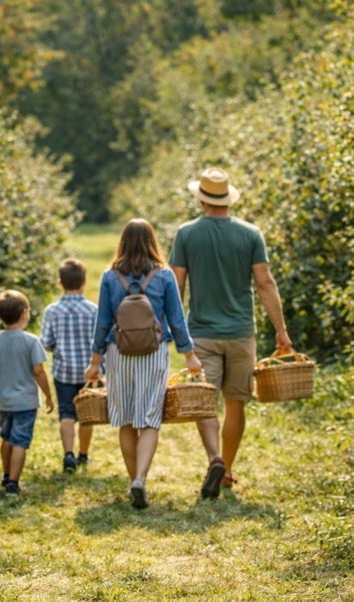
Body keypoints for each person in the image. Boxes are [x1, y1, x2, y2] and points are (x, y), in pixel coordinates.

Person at [170, 167, 292, 498]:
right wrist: (281, 330)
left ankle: (215, 459)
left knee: (204, 401)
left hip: (202, 333)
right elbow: (265, 284)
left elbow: (176, 285)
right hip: (241, 332)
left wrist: (175, 330)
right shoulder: (251, 233)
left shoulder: (186, 233)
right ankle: (226, 470)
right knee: (235, 404)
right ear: (228, 198)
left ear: (201, 198)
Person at [85, 219, 202, 509]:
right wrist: (189, 354)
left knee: (126, 417)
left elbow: (102, 323)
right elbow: (176, 319)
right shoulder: (164, 275)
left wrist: (94, 361)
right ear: (152, 241)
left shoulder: (110, 276)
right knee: (150, 416)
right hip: (154, 352)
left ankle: (133, 482)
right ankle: (140, 478)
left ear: (122, 241)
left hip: (118, 352)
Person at [0, 290, 55, 494]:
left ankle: (6, 474)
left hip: (3, 401)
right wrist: (48, 395)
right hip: (25, 402)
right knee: (21, 442)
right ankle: (13, 484)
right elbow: (38, 371)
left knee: (7, 438)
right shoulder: (31, 341)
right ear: (24, 314)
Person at [40, 258, 99, 473]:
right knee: (86, 416)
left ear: (59, 283)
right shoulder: (94, 310)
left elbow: (45, 343)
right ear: (84, 282)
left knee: (66, 414)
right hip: (89, 373)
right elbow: (100, 342)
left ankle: (68, 455)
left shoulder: (52, 311)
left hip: (63, 373)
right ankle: (83, 455)